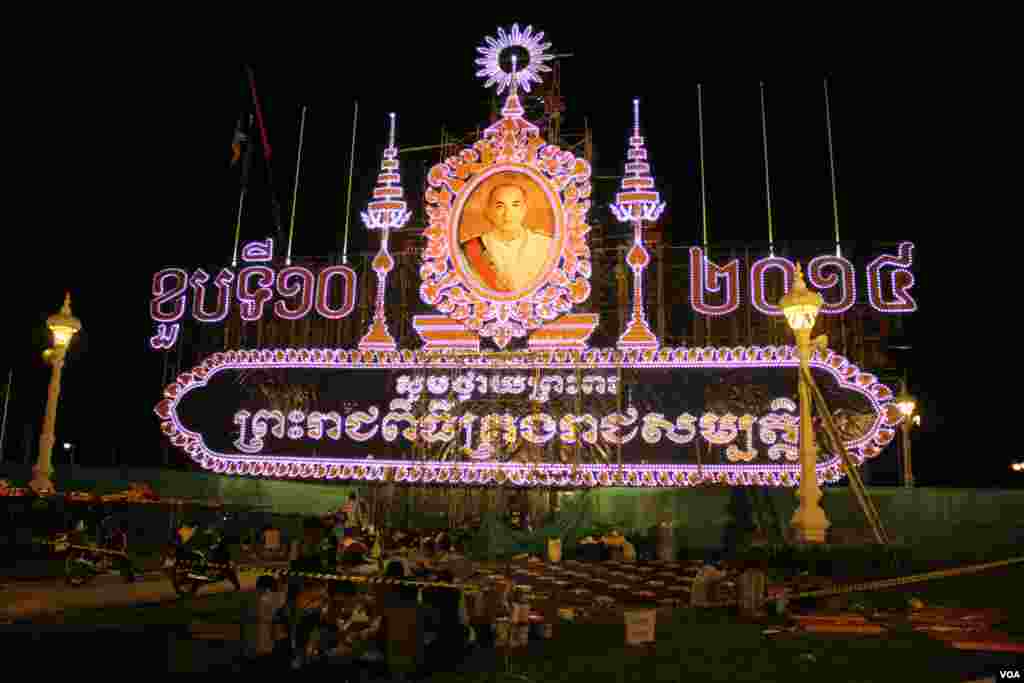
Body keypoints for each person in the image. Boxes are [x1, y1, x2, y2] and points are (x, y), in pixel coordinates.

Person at [460, 183, 553, 292]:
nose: (508, 214)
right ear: (489, 211)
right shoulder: (470, 250)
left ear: (524, 209)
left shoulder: (547, 245)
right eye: (500, 206)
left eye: (515, 205)